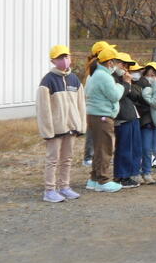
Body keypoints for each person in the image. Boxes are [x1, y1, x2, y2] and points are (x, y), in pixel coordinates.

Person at [37, 45, 87, 203]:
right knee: (52, 160)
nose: (64, 60)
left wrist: (81, 125)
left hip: (71, 127)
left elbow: (81, 104)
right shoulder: (47, 81)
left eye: (66, 56)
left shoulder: (75, 80)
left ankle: (64, 187)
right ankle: (49, 190)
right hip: (55, 129)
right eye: (60, 58)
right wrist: (47, 131)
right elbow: (43, 109)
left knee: (67, 158)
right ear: (53, 60)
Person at [84, 45, 124, 193]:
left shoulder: (95, 74)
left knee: (99, 148)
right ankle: (103, 180)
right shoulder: (104, 76)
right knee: (105, 149)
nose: (116, 65)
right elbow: (115, 95)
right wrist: (121, 86)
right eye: (115, 62)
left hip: (95, 116)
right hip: (102, 116)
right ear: (110, 62)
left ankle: (94, 179)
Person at [82, 41, 116, 166]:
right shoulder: (96, 70)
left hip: (98, 109)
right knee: (93, 133)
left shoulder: (98, 69)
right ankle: (89, 157)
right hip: (97, 109)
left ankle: (97, 157)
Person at [112, 52, 142, 189]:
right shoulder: (112, 78)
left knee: (134, 147)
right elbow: (118, 95)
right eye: (123, 64)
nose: (125, 68)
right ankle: (122, 176)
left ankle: (130, 174)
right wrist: (125, 84)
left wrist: (129, 83)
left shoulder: (125, 78)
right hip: (122, 117)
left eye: (127, 65)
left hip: (132, 116)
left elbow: (136, 96)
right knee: (124, 148)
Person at [129, 62, 156, 184]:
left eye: (138, 71)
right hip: (132, 119)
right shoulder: (125, 84)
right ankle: (135, 172)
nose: (136, 73)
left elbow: (150, 102)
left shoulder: (145, 84)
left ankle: (147, 172)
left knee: (146, 148)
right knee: (135, 148)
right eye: (133, 71)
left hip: (146, 120)